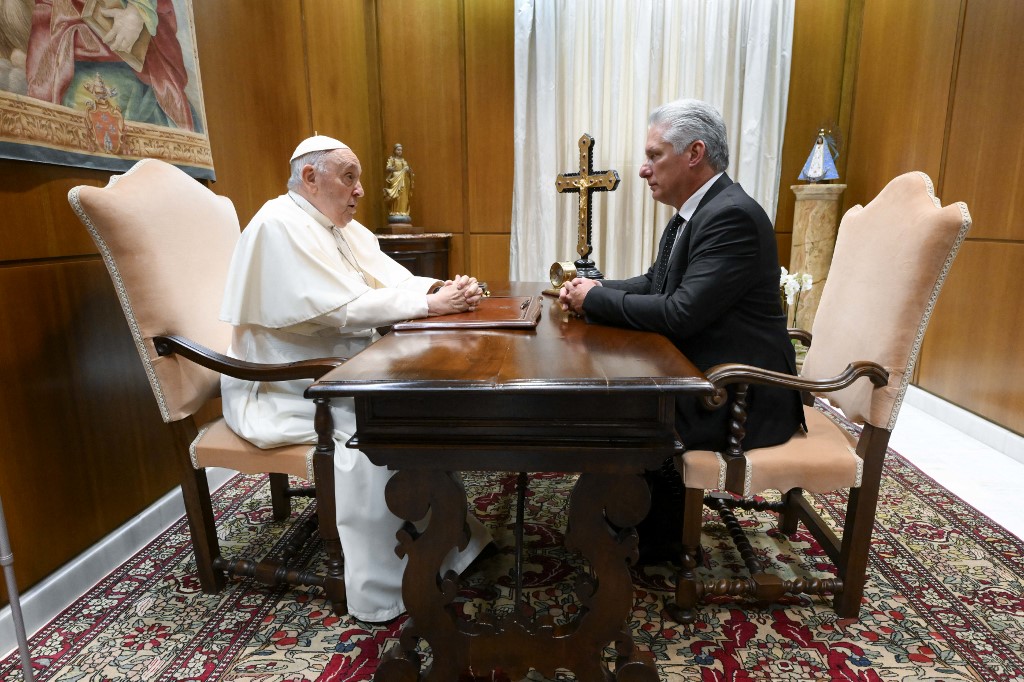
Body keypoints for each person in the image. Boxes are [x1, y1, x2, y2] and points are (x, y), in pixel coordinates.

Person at [219, 135, 492, 622]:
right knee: (376, 430)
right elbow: (339, 309)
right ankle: (388, 587)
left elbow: (386, 277)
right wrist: (429, 304)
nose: (360, 190)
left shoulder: (337, 227)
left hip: (340, 369)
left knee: (420, 404)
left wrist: (438, 288)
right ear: (310, 177)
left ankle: (445, 544)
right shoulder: (278, 225)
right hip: (287, 384)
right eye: (349, 177)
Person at [558, 99, 805, 560]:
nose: (642, 170)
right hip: (706, 373)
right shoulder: (698, 212)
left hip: (740, 395)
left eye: (654, 156)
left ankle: (647, 535)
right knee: (612, 393)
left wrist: (595, 299)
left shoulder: (731, 216)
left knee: (616, 408)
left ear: (694, 153)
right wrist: (592, 287)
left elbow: (679, 314)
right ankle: (638, 517)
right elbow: (656, 283)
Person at [383, 143, 413, 222]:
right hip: (395, 179)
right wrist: (392, 168)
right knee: (396, 197)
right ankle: (395, 211)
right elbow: (388, 168)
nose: (400, 151)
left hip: (403, 180)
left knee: (402, 196)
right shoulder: (392, 159)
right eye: (398, 150)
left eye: (401, 150)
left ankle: (402, 211)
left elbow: (408, 170)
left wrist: (408, 170)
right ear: (394, 150)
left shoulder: (403, 161)